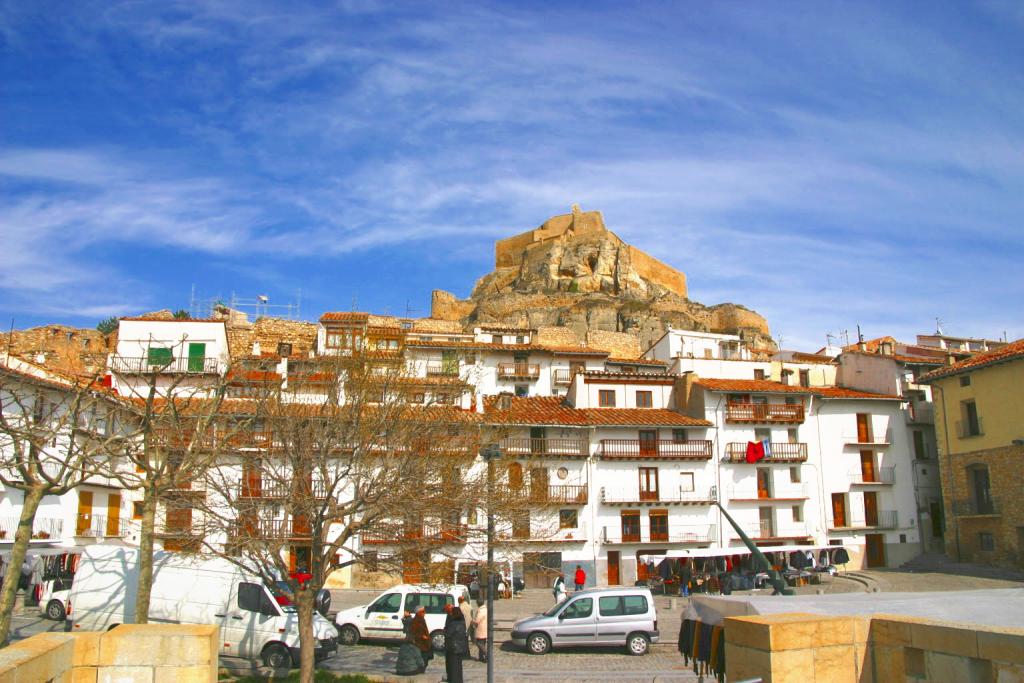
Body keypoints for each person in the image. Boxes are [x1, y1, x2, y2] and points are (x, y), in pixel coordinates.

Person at [443, 603, 469, 683]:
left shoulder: (453, 624)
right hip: (460, 647)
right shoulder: (462, 622)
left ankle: (453, 680)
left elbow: (448, 634)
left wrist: (444, 631)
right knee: (458, 666)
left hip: (453, 647)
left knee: (453, 666)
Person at [396, 610, 424, 676]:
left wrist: (403, 618)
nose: (404, 613)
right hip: (409, 671)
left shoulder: (402, 647)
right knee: (421, 668)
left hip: (399, 671)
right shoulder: (415, 647)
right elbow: (420, 661)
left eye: (405, 612)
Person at [410, 606, 433, 673]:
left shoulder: (422, 619)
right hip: (420, 644)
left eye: (424, 611)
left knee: (425, 659)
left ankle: (422, 670)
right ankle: (420, 670)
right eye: (423, 611)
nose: (424, 613)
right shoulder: (415, 621)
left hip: (424, 644)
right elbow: (413, 633)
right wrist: (422, 636)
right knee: (422, 659)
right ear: (418, 612)